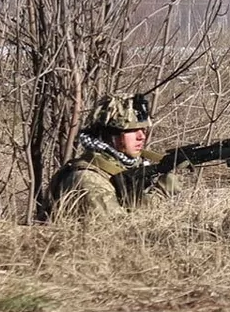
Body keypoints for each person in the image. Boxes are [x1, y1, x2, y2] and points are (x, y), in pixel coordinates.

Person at [41, 94, 182, 220]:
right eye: (132, 131)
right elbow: (121, 231)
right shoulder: (88, 179)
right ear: (111, 135)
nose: (141, 137)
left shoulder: (123, 168)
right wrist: (160, 194)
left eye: (143, 130)